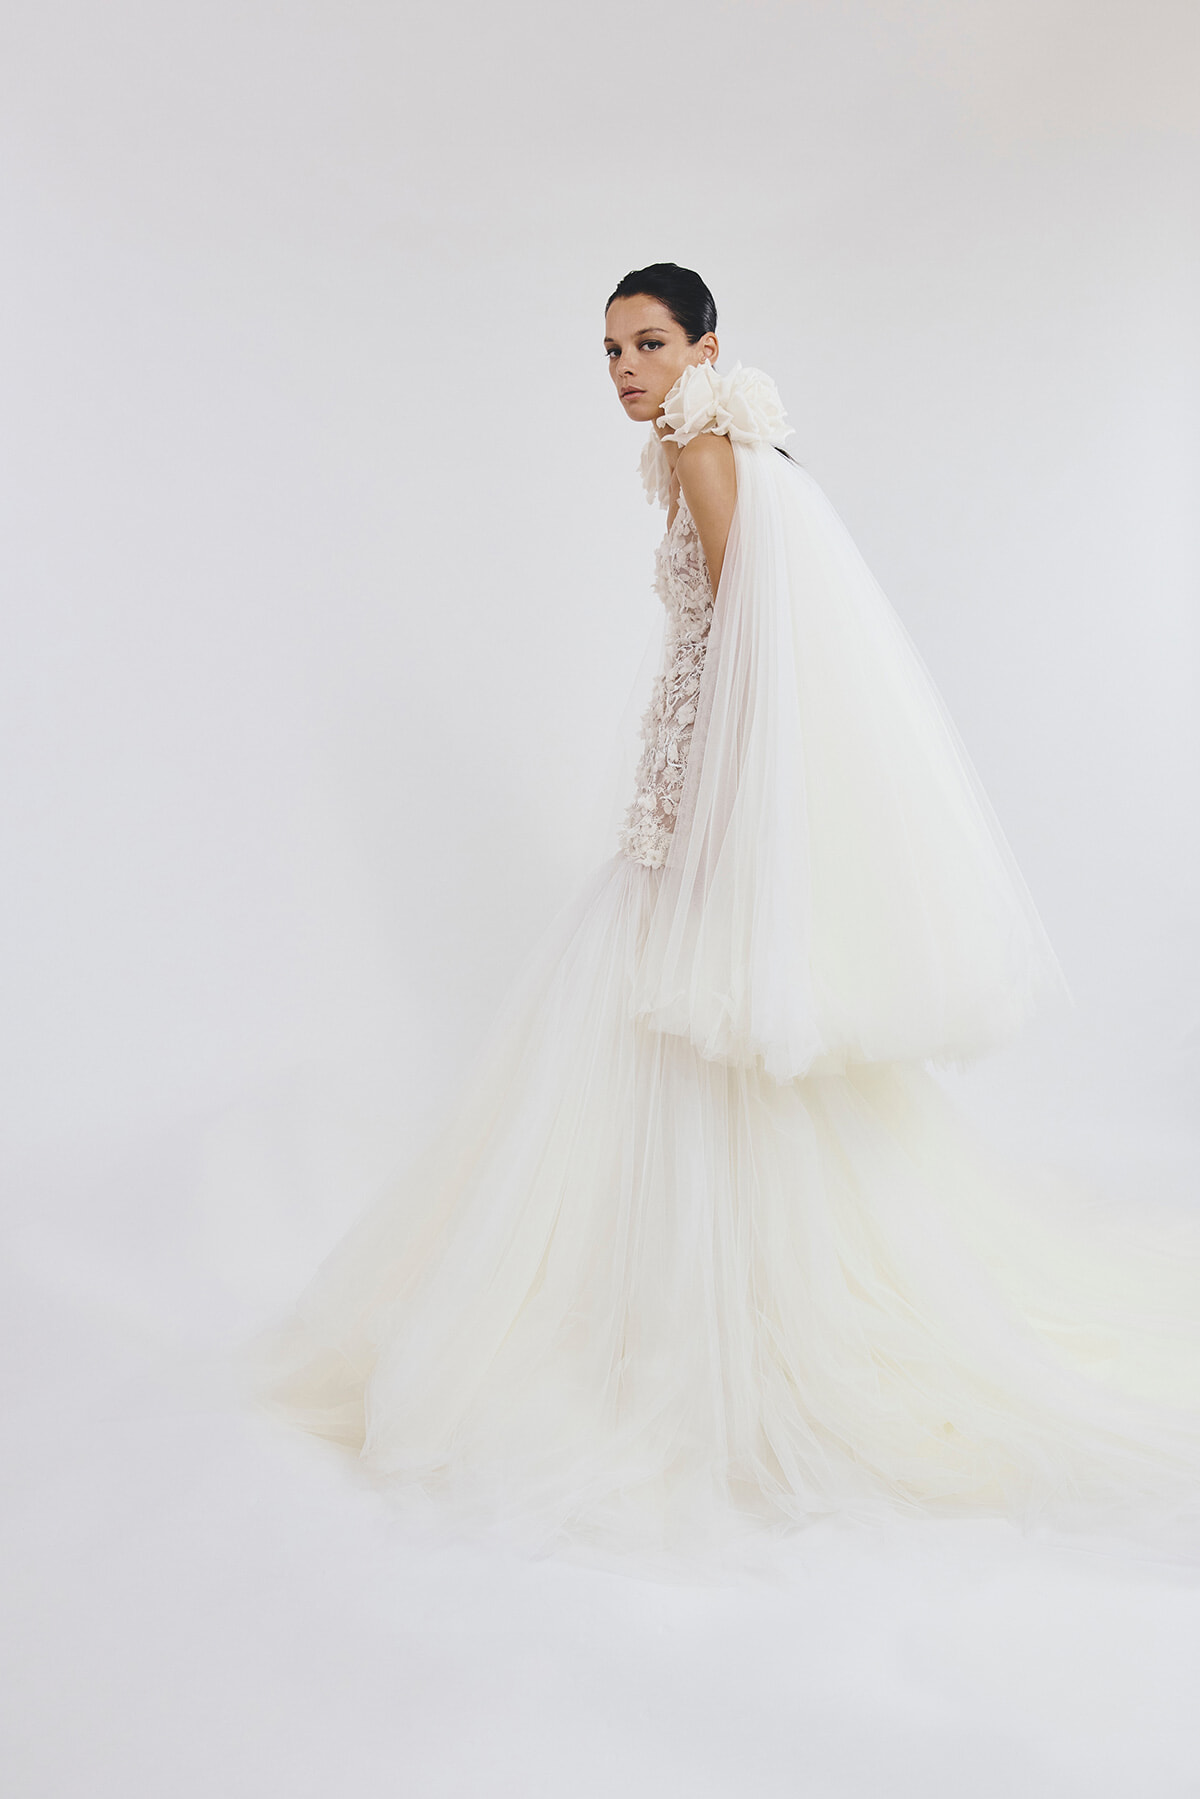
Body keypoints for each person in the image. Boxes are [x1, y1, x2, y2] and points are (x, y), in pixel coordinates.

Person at [259, 263, 1200, 1562]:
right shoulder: (713, 441)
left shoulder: (704, 441)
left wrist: (705, 832)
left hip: (697, 818)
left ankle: (691, 1337)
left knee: (639, 1056)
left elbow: (752, 645)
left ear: (709, 347)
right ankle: (693, 1308)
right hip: (690, 804)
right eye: (608, 351)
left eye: (647, 343)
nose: (626, 370)